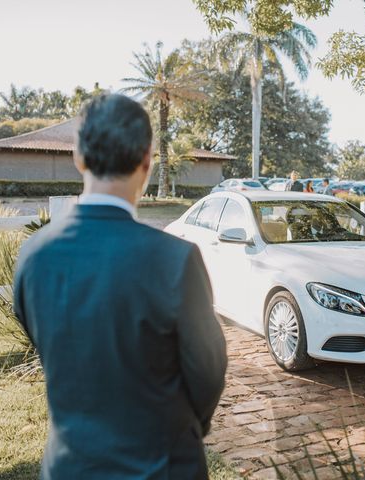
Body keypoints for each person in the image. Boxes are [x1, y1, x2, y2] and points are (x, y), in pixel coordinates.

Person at [13, 94, 227, 480]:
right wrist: (189, 427)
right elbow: (207, 372)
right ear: (147, 160)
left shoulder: (32, 257)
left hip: (68, 467)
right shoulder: (175, 260)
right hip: (162, 466)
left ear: (78, 157)